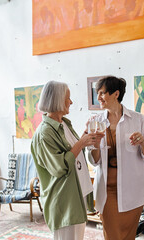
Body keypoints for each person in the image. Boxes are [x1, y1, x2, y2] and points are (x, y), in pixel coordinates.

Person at [30, 80, 104, 240]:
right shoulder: (45, 133)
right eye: (67, 99)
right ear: (57, 100)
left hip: (78, 194)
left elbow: (74, 152)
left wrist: (86, 137)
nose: (71, 102)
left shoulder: (64, 124)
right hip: (64, 200)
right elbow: (59, 167)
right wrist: (81, 143)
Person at [88, 76, 144, 240]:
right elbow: (93, 161)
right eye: (98, 93)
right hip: (107, 190)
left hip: (133, 190)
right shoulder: (95, 122)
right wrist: (95, 143)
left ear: (116, 94)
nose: (99, 98)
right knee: (112, 235)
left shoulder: (138, 119)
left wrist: (142, 143)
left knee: (128, 236)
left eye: (102, 93)